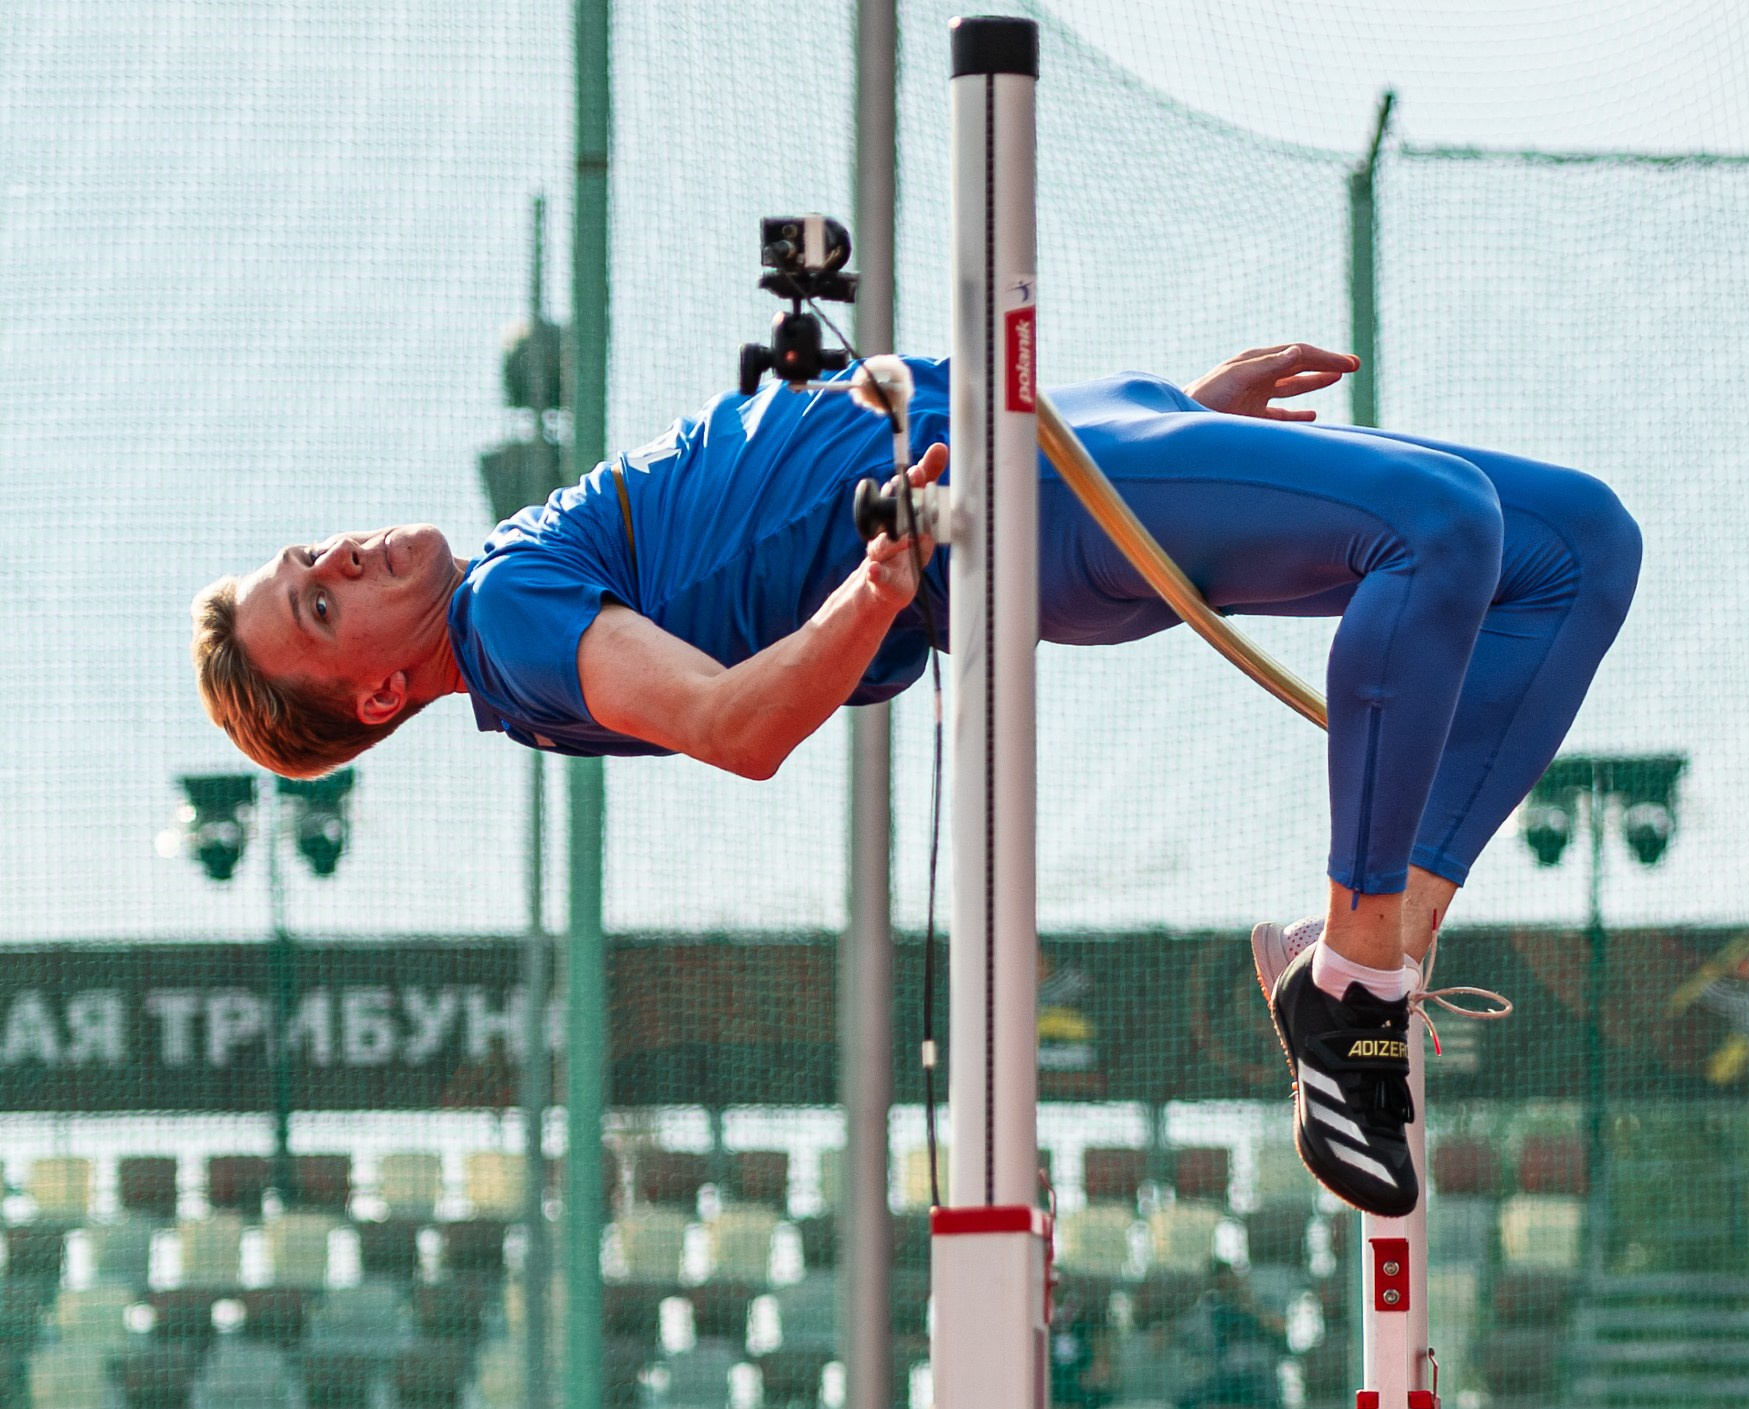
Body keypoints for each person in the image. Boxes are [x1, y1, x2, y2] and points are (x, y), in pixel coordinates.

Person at [191, 343, 1640, 1216]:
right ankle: (1350, 984)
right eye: (314, 606)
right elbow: (730, 721)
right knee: (1445, 527)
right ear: (378, 695)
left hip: (1057, 438)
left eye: (302, 558)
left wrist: (1175, 410)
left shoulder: (509, 570)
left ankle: (1367, 957)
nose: (333, 560)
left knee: (1575, 545)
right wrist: (881, 577)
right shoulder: (509, 624)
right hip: (1003, 509)